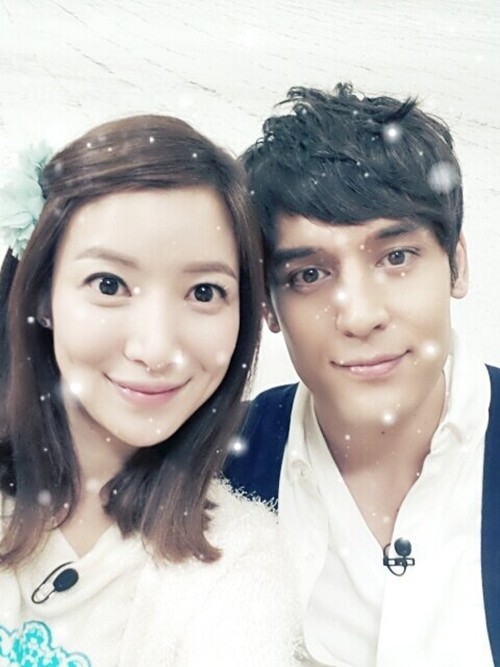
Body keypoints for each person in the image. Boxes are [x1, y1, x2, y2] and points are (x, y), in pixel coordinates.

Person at [0, 115, 299, 666]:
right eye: (109, 284)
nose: (157, 348)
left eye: (204, 292)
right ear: (42, 294)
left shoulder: (237, 561)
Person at [225, 83, 500, 666]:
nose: (359, 315)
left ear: (457, 264)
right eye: (309, 275)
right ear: (268, 306)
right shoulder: (216, 468)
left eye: (396, 257)